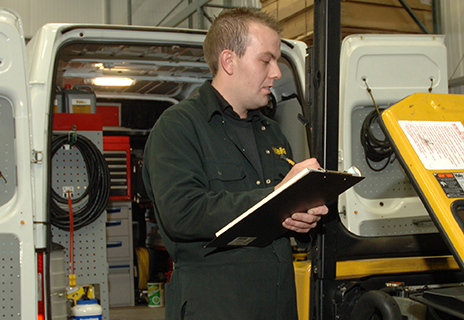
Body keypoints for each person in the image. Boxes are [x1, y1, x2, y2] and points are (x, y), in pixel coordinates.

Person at [141, 7, 328, 320]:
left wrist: (303, 219)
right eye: (266, 60)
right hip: (216, 308)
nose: (277, 73)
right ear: (229, 61)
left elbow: (282, 211)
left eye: (278, 61)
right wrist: (277, 196)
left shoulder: (271, 131)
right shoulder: (179, 126)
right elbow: (182, 213)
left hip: (279, 305)